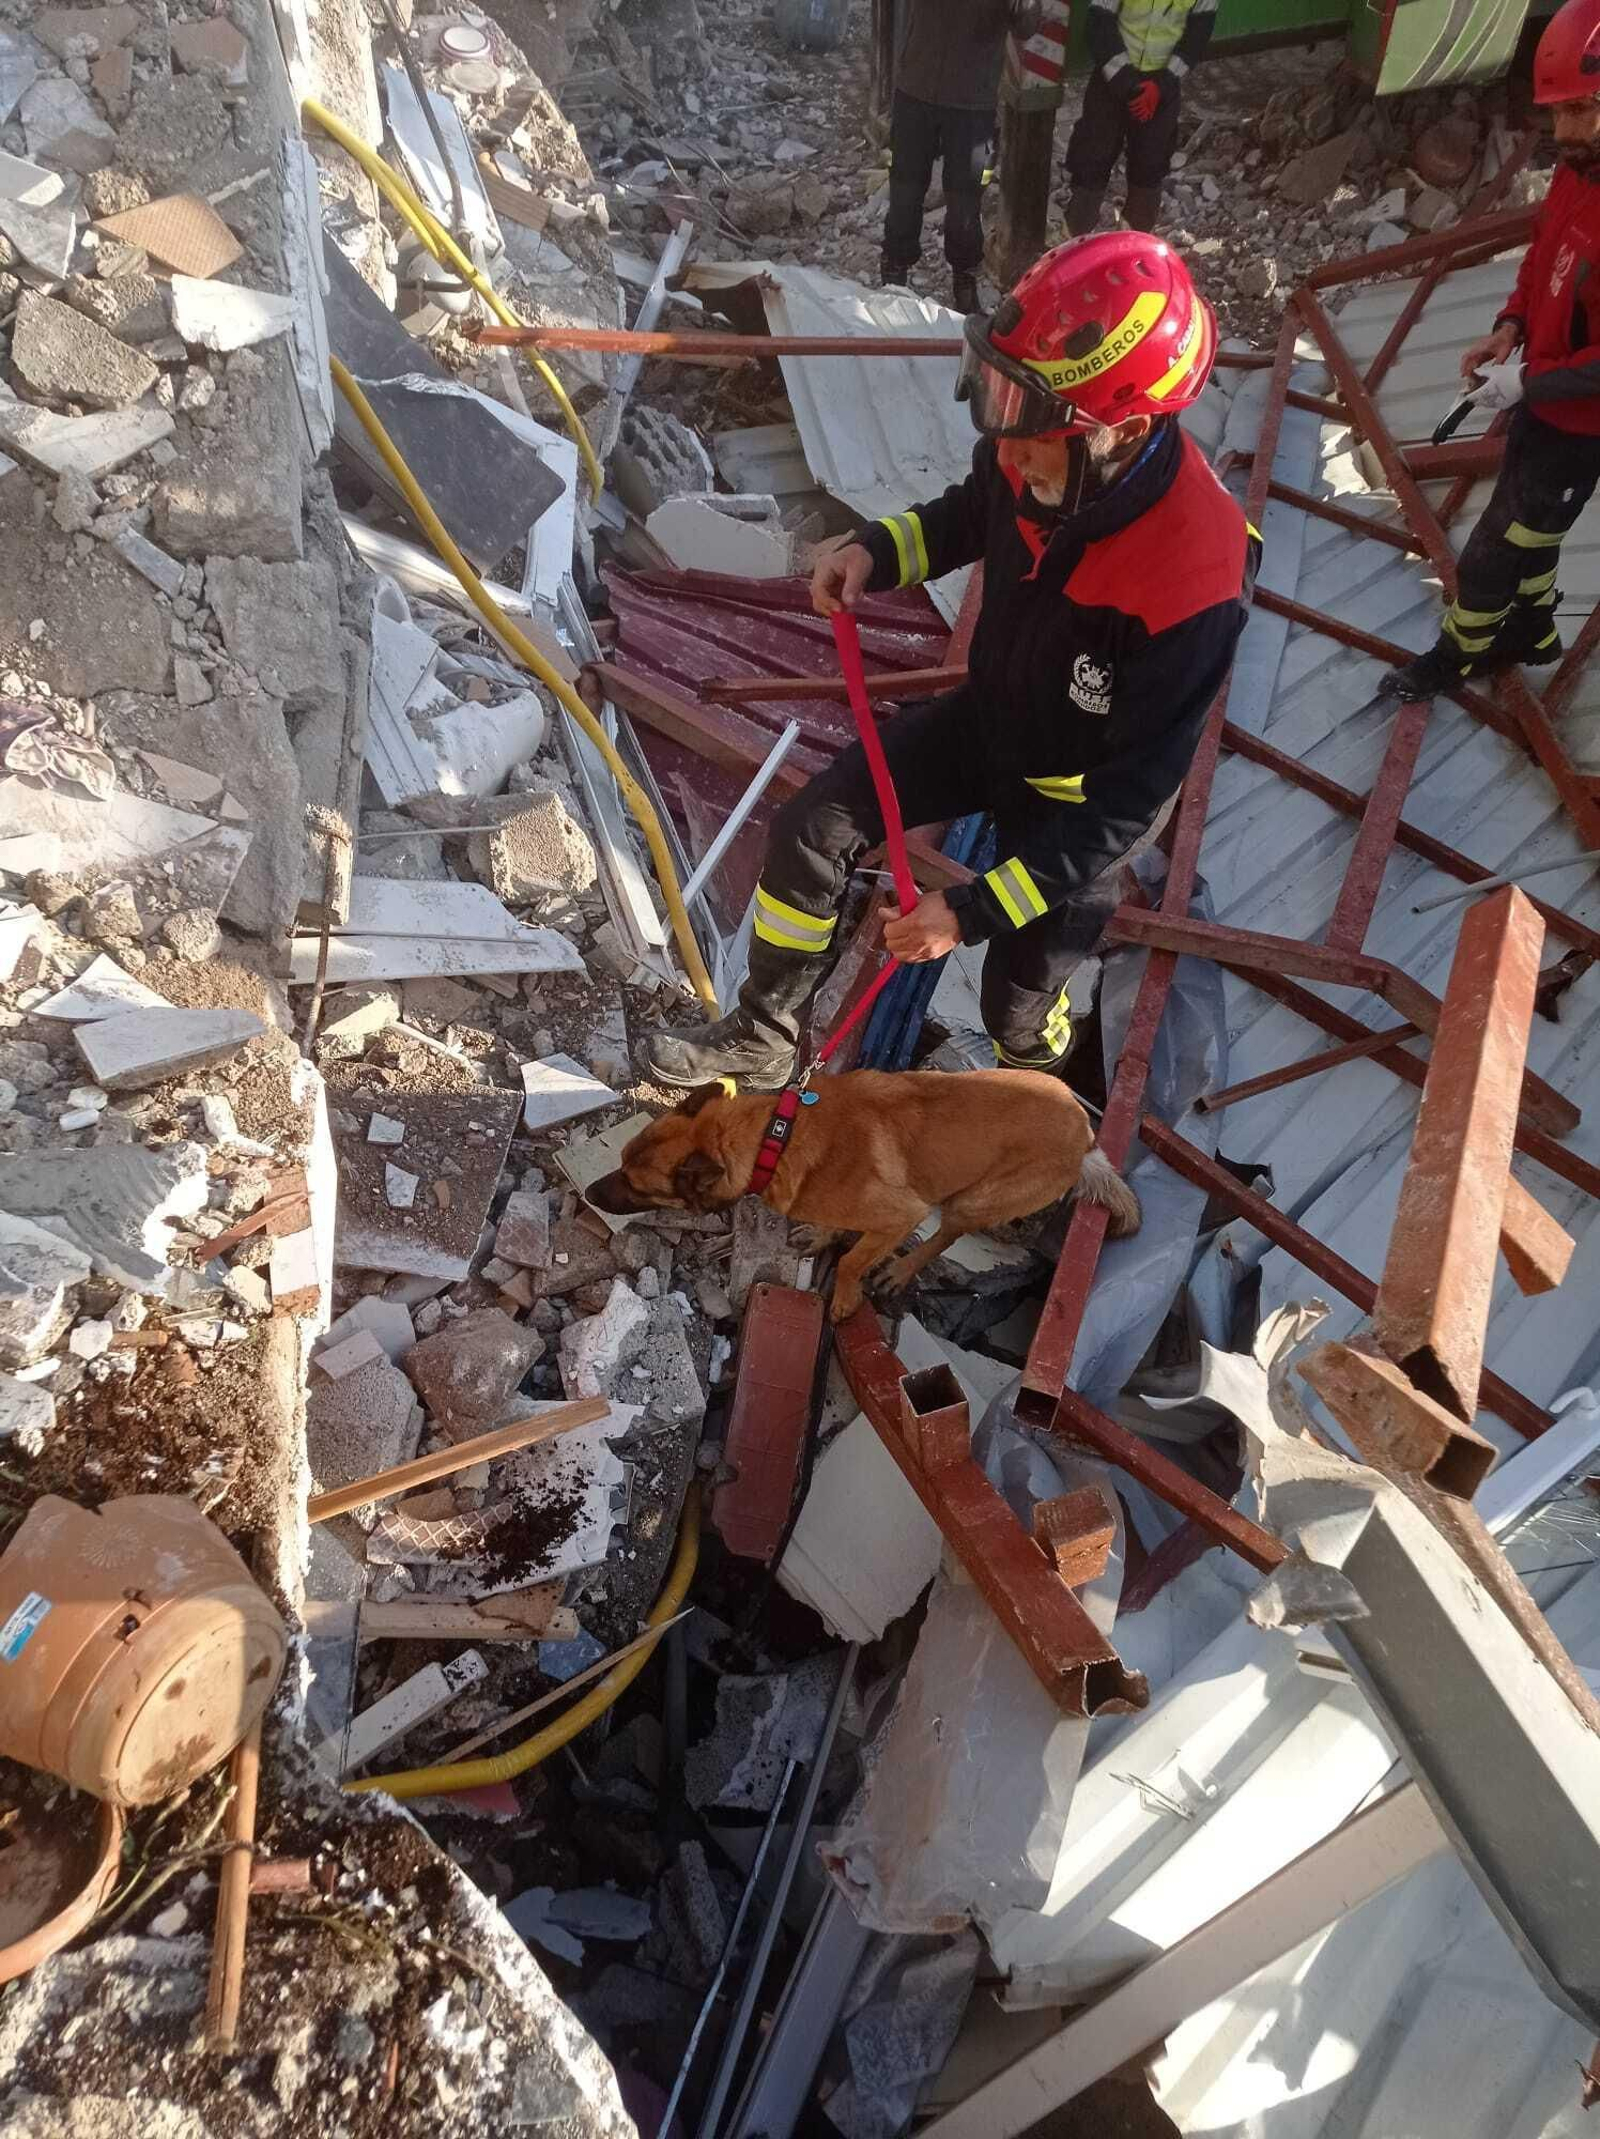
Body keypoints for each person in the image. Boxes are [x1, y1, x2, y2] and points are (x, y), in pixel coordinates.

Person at [642, 232, 1258, 1095]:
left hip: (1077, 811)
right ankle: (764, 1033)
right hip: (992, 722)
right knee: (812, 831)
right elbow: (971, 511)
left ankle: (1041, 1105)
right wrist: (876, 550)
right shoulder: (1040, 448)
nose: (1009, 451)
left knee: (1015, 1007)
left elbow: (1126, 811)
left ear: (1123, 430)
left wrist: (967, 913)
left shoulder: (1198, 575)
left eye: (1031, 429)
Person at [1387, 0, 1600, 700]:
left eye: (1579, 111)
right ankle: (1533, 629)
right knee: (1534, 536)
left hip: (1580, 432)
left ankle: (1457, 655)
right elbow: (1543, 258)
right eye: (1559, 113)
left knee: (1491, 551)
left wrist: (1527, 382)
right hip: (1544, 407)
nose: (1563, 132)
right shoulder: (1579, 171)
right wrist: (1510, 327)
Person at [881, 0, 1039, 313]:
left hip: (972, 102)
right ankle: (894, 273)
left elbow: (1026, 26)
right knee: (904, 192)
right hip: (917, 88)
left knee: (965, 205)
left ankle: (964, 278)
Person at [1064, 0, 1218, 237]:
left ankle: (1132, 246)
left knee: (1150, 168)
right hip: (1112, 80)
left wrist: (1162, 85)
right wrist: (1129, 85)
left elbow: (1197, 36)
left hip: (1162, 89)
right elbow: (1099, 21)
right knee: (1091, 160)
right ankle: (1072, 243)